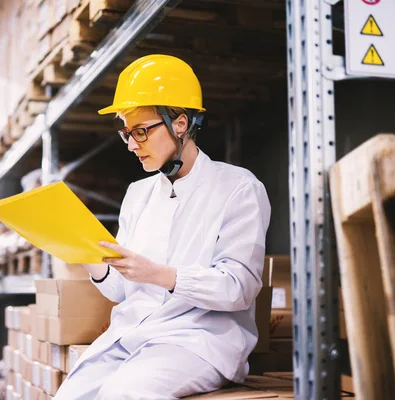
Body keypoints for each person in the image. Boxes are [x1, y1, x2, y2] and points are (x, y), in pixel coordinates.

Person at [54, 54, 271, 399]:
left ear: (180, 123)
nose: (131, 144)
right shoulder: (138, 195)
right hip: (133, 335)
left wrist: (158, 273)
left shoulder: (238, 188)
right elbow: (122, 291)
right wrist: (80, 251)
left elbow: (239, 287)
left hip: (198, 341)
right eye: (126, 132)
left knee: (124, 394)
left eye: (141, 131)